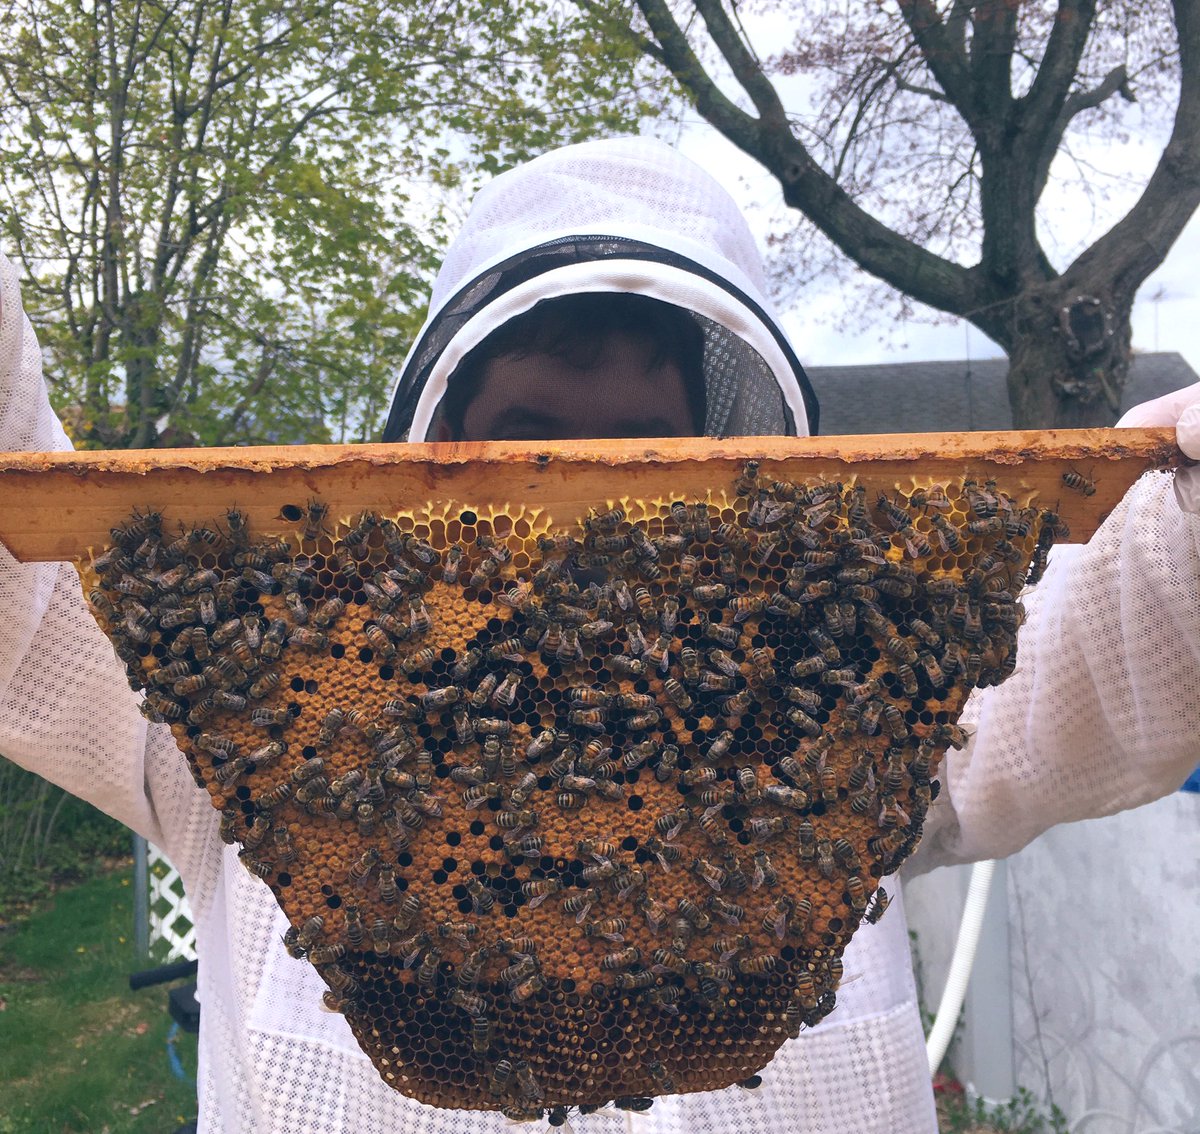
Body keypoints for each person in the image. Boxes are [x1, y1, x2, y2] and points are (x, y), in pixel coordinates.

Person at [0, 136, 1197, 1134]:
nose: (586, 502)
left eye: (641, 447)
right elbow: (26, 597)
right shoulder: (262, 727)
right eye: (529, 436)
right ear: (438, 444)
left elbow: (1113, 647)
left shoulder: (846, 727)